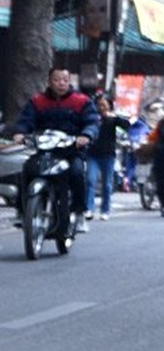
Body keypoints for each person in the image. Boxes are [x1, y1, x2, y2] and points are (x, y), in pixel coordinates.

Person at [11, 67, 100, 233]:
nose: (61, 83)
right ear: (49, 81)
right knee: (27, 170)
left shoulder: (82, 101)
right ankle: (22, 212)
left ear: (69, 81)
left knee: (76, 172)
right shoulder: (37, 101)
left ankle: (79, 213)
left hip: (71, 150)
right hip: (44, 150)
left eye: (65, 80)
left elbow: (92, 122)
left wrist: (86, 135)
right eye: (57, 80)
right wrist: (19, 133)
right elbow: (25, 120)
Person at [85, 96, 130, 220]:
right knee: (90, 180)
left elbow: (127, 125)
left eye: (104, 105)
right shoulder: (92, 118)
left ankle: (105, 210)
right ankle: (89, 208)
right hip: (92, 154)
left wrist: (115, 117)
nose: (101, 108)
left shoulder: (112, 119)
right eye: (99, 105)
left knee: (107, 184)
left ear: (109, 106)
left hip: (108, 155)